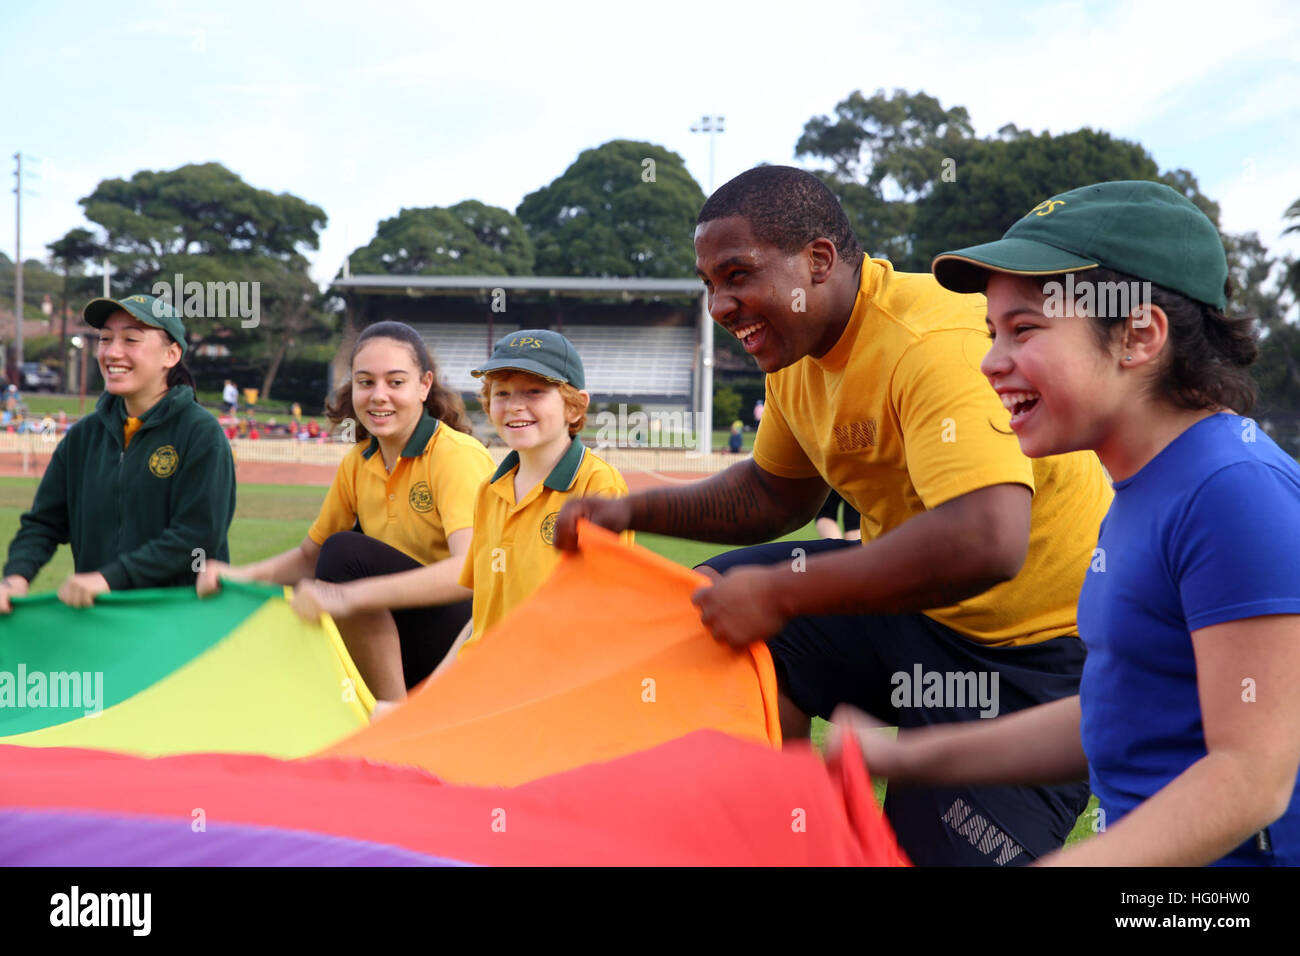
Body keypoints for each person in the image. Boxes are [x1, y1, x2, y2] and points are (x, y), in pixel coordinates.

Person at [557, 165, 1112, 866]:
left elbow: (986, 540)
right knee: (704, 612)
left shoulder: (930, 342)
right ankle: (785, 839)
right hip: (911, 614)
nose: (720, 305)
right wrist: (632, 506)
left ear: (818, 261)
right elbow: (774, 495)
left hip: (1033, 665)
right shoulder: (794, 348)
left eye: (737, 274)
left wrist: (781, 592)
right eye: (709, 284)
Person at [829, 180, 1300, 866]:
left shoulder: (1233, 492)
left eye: (1024, 329)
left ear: (1138, 334)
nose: (990, 361)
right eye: (992, 332)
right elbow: (1115, 711)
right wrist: (912, 754)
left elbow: (1251, 778)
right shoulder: (1145, 487)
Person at [197, 321, 492, 700]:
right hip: (409, 636)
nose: (378, 396)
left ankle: (393, 718)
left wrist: (351, 596)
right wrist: (238, 575)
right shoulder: (359, 462)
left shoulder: (455, 456)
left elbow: (468, 574)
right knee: (336, 555)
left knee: (345, 554)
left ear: (424, 385)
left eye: (396, 382)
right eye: (365, 382)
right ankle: (386, 712)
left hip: (470, 641)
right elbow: (309, 556)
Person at [1, 294, 235, 614]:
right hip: (100, 623)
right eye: (105, 339)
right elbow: (44, 522)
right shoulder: (84, 436)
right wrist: (16, 576)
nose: (112, 352)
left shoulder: (200, 434)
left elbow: (195, 538)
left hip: (180, 625)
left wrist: (109, 578)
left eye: (131, 340)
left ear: (171, 354)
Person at [443, 329, 632, 666]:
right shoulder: (489, 490)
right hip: (484, 679)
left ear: (575, 407)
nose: (515, 405)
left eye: (534, 391)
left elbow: (603, 613)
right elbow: (484, 616)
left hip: (549, 683)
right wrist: (431, 694)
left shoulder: (598, 486)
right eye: (501, 393)